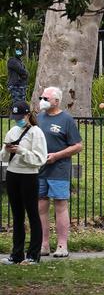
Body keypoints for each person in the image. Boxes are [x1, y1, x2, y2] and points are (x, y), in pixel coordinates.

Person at [37, 86, 83, 258]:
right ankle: (44, 244)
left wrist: (57, 156)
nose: (42, 100)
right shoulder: (39, 118)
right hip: (40, 169)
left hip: (59, 170)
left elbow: (78, 145)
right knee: (41, 206)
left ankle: (62, 245)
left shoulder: (66, 119)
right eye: (42, 97)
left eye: (46, 98)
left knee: (60, 205)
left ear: (56, 101)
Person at [0, 102, 48, 265]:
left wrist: (21, 151)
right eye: (15, 118)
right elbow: (3, 158)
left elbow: (40, 159)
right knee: (17, 215)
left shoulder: (36, 133)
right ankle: (17, 253)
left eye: (20, 117)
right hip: (13, 174)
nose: (17, 120)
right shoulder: (13, 131)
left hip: (29, 176)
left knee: (32, 214)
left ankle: (33, 254)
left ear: (27, 115)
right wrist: (6, 151)